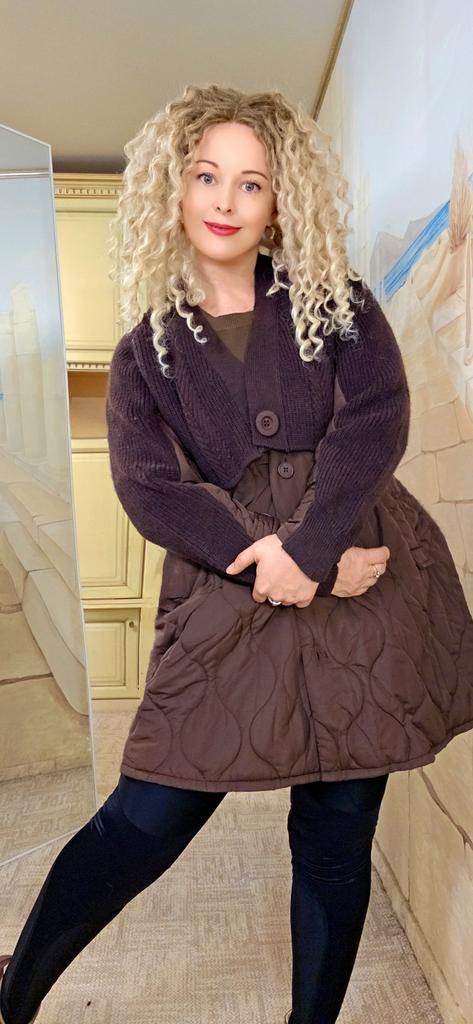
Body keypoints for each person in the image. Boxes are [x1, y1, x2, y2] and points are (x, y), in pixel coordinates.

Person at [2, 83, 472, 1024]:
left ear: (278, 200)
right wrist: (288, 560)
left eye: (251, 183)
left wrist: (317, 546)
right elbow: (150, 487)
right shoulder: (145, 352)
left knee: (336, 839)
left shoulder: (337, 304)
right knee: (142, 819)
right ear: (173, 190)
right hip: (238, 589)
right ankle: (14, 996)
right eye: (206, 176)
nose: (225, 200)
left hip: (366, 591)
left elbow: (375, 422)